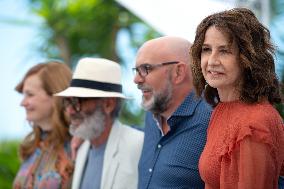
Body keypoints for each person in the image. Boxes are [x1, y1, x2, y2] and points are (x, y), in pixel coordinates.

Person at [190, 7, 284, 189]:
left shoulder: (254, 124)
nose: (212, 61)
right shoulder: (221, 110)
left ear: (248, 58)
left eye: (224, 51)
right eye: (206, 50)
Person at [133, 36, 212, 188]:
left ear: (178, 72)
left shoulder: (212, 122)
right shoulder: (152, 116)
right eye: (136, 70)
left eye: (146, 69)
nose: (136, 79)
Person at [55, 57, 144, 189]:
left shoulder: (138, 145)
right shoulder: (81, 149)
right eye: (69, 101)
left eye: (78, 102)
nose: (70, 111)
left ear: (108, 104)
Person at [13, 61, 73, 188]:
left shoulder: (79, 147)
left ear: (55, 96)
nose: (22, 103)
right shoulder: (33, 147)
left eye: (30, 95)